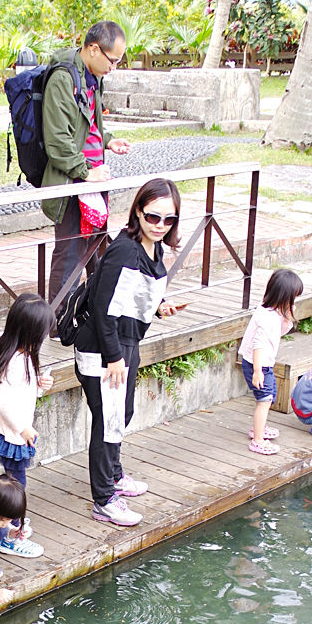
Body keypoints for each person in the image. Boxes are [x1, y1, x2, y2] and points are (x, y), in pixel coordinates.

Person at [74, 177, 187, 526]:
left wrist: (159, 306)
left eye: (169, 220)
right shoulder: (125, 249)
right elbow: (105, 307)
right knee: (109, 421)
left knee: (121, 414)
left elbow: (131, 296)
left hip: (126, 343)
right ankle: (104, 499)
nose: (160, 226)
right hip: (105, 348)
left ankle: (115, 476)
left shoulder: (150, 247)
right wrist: (113, 358)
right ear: (138, 210)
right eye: (153, 217)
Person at [41, 20, 132, 305]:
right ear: (93, 49)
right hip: (72, 182)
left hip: (93, 179)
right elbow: (57, 140)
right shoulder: (63, 78)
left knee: (96, 246)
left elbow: (88, 122)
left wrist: (107, 140)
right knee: (70, 252)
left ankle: (95, 310)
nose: (113, 67)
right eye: (112, 60)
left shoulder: (92, 77)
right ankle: (56, 322)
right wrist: (85, 172)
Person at [0, 293, 55, 559]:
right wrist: (23, 428)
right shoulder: (17, 362)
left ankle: (9, 522)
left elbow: (21, 394)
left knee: (13, 481)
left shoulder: (20, 354)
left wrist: (40, 387)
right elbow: (4, 401)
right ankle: (11, 533)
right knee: (17, 484)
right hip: (12, 433)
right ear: (32, 332)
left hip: (10, 430)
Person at [237, 269, 304, 455]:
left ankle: (259, 428)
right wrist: (258, 371)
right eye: (293, 298)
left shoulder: (270, 311)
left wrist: (287, 318)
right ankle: (258, 439)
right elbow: (259, 345)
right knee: (264, 400)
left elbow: (277, 334)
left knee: (269, 396)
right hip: (257, 364)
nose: (294, 302)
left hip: (263, 364)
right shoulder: (268, 318)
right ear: (285, 296)